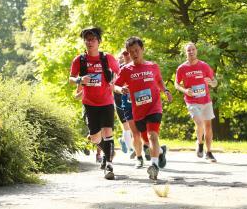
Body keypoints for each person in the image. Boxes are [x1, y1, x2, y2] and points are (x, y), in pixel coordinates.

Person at [114, 37, 172, 180]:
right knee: (146, 140)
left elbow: (158, 80)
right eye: (131, 51)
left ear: (142, 49)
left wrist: (165, 90)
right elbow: (114, 86)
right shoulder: (126, 70)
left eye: (137, 50)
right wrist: (121, 89)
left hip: (154, 107)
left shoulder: (153, 66)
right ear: (128, 52)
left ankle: (154, 166)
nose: (134, 54)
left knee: (153, 136)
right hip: (138, 110)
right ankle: (159, 153)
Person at [69, 27, 120, 180]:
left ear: (98, 41)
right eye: (87, 39)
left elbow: (118, 71)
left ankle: (109, 166)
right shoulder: (79, 60)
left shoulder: (107, 58)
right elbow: (71, 78)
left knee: (108, 134)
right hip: (89, 103)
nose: (89, 42)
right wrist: (79, 80)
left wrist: (113, 81)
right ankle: (107, 152)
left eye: (92, 39)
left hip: (106, 102)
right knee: (95, 138)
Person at [175, 42, 218, 162]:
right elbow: (176, 84)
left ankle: (208, 152)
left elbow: (215, 82)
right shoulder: (182, 68)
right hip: (192, 100)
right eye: (188, 50)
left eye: (193, 49)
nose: (191, 52)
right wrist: (185, 90)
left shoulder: (204, 66)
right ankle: (200, 144)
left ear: (196, 51)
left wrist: (211, 82)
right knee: (199, 123)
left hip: (206, 100)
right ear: (186, 52)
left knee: (208, 126)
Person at [75, 85, 102, 163]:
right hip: (88, 110)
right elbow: (77, 96)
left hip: (102, 108)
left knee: (100, 132)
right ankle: (86, 144)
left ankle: (98, 154)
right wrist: (86, 91)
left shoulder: (103, 75)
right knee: (94, 133)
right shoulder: (83, 79)